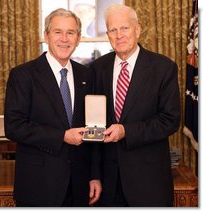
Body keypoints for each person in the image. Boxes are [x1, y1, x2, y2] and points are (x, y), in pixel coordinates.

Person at [4, 8, 101, 207]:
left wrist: (94, 176)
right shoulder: (23, 75)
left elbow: (94, 127)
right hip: (39, 185)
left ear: (78, 37)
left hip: (79, 186)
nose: (64, 39)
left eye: (71, 33)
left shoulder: (87, 75)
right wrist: (61, 136)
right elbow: (14, 127)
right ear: (46, 36)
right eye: (58, 32)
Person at [89, 4, 181, 206]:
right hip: (108, 184)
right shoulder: (97, 68)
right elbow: (93, 124)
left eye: (125, 28)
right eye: (113, 30)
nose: (119, 35)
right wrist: (94, 175)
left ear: (137, 30)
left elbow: (170, 120)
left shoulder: (163, 68)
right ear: (108, 34)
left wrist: (126, 131)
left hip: (148, 182)